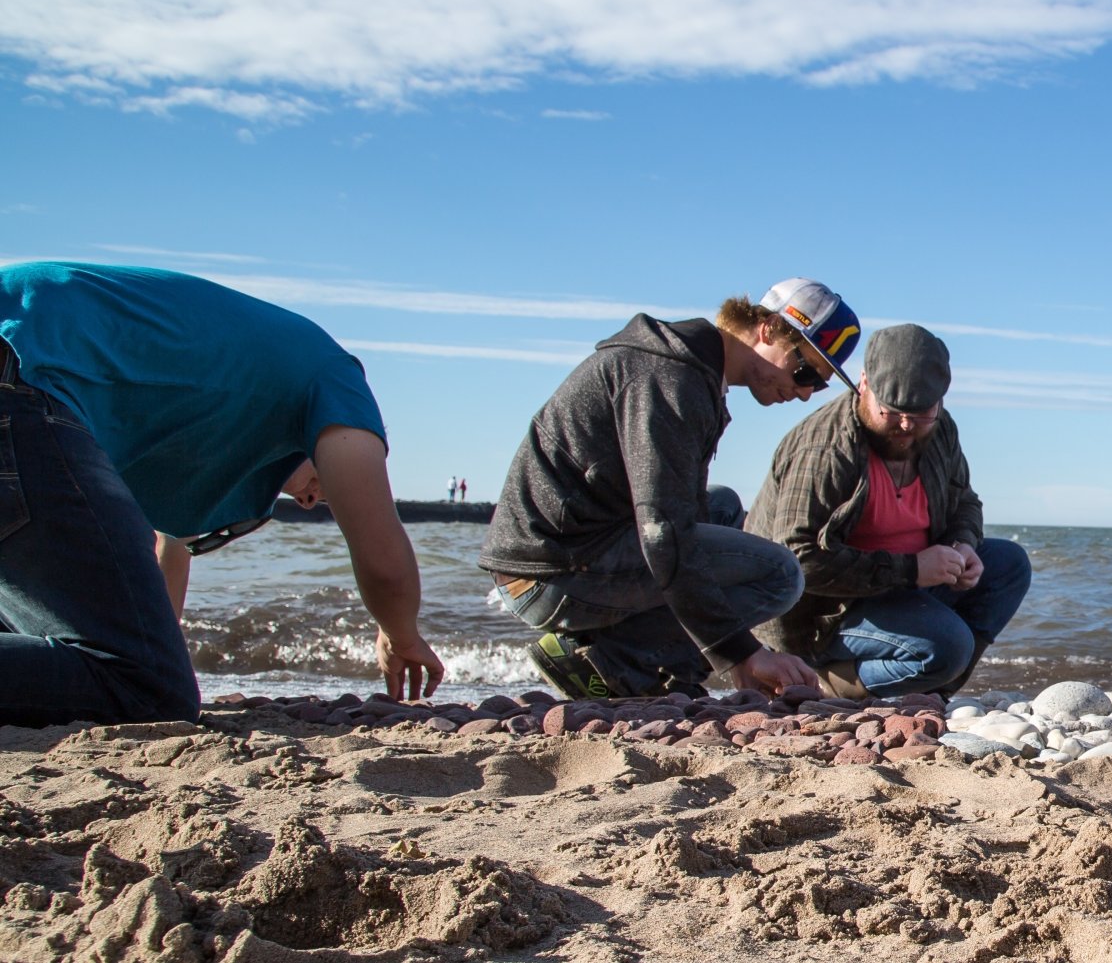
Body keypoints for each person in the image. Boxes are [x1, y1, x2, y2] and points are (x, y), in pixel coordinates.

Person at [0, 262, 444, 726]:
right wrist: (400, 635)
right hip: (30, 362)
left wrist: (156, 648)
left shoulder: (209, 421)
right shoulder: (336, 380)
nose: (313, 501)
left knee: (39, 635)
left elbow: (165, 555)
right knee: (147, 688)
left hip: (32, 354)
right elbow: (383, 561)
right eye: (325, 489)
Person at [480, 278, 859, 700]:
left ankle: (665, 667)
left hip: (566, 552)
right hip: (546, 577)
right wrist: (741, 652)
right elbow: (662, 532)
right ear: (767, 328)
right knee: (780, 575)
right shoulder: (670, 378)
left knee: (722, 508)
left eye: (819, 384)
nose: (806, 393)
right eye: (804, 370)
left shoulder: (692, 369)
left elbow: (673, 521)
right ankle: (609, 661)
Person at [744, 324, 1028, 699]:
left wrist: (963, 544)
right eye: (891, 412)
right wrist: (912, 570)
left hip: (900, 586)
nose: (906, 426)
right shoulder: (827, 449)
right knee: (948, 646)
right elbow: (795, 560)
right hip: (824, 612)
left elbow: (965, 501)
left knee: (1008, 563)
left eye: (921, 413)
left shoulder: (939, 430)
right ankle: (832, 683)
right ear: (864, 384)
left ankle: (932, 693)